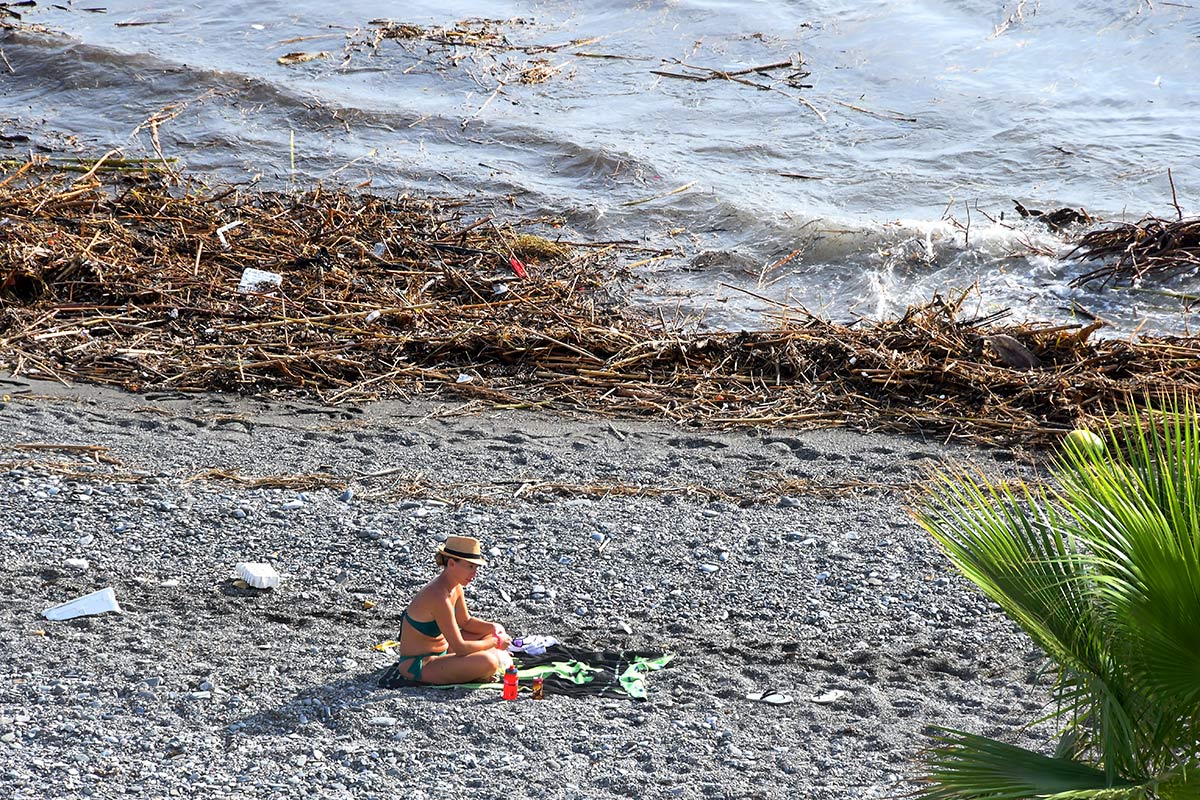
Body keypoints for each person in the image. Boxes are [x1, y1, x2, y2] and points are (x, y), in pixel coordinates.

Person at [392, 535, 513, 684]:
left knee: (494, 629)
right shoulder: (438, 596)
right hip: (420, 664)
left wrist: (494, 628)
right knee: (488, 662)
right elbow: (460, 648)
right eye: (470, 566)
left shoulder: (455, 587)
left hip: (444, 651)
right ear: (451, 563)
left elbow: (466, 622)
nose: (474, 573)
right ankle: (479, 668)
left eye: (476, 567)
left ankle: (473, 667)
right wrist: (495, 642)